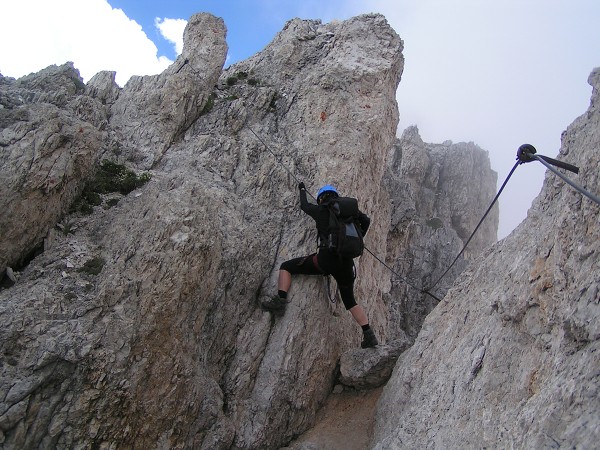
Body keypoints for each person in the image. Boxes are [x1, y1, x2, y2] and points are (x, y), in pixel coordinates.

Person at [261, 182, 379, 348]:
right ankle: (368, 334)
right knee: (350, 301)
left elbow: (304, 205)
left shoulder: (321, 210)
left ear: (321, 199)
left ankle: (280, 302)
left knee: (287, 266)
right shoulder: (350, 215)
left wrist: (302, 190)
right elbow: (366, 220)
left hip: (326, 261)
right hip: (347, 265)